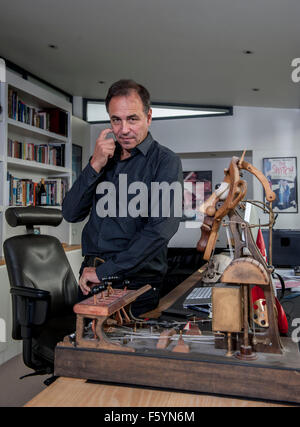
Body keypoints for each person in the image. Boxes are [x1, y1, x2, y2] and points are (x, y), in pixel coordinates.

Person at [62, 79, 183, 316]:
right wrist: (95, 164)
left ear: (148, 117)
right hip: (90, 279)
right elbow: (70, 213)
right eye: (116, 119)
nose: (123, 129)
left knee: (121, 353)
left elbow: (162, 229)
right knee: (82, 350)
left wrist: (105, 272)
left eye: (132, 119)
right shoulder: (102, 157)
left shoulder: (165, 161)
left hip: (134, 284)